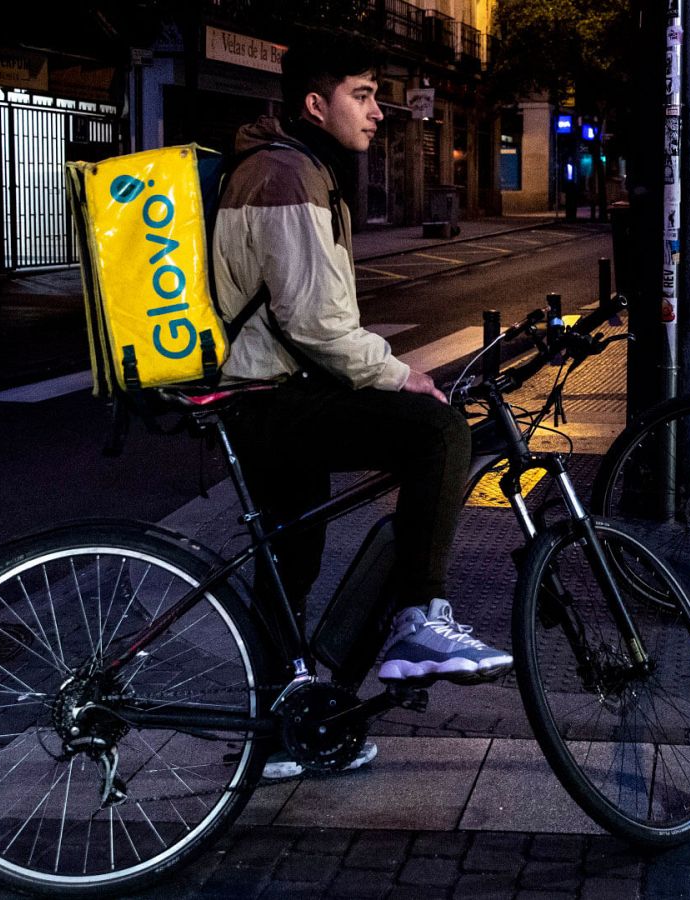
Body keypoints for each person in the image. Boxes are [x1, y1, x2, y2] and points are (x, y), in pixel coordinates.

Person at [212, 43, 511, 776]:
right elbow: (315, 320)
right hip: (272, 398)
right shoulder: (287, 174)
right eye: (364, 94)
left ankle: (281, 731)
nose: (380, 111)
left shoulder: (290, 166)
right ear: (317, 105)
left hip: (263, 394)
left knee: (289, 563)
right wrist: (396, 372)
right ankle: (421, 617)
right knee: (440, 431)